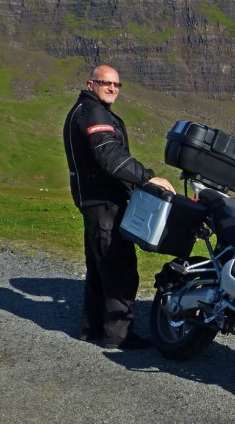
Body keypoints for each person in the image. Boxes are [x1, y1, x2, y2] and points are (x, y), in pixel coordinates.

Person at [63, 64, 175, 350]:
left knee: (99, 265)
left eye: (116, 84)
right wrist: (148, 178)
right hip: (104, 202)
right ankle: (118, 335)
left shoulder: (87, 110)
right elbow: (110, 156)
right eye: (106, 83)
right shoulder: (93, 113)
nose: (112, 88)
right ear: (91, 84)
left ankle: (91, 327)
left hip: (94, 201)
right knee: (118, 266)